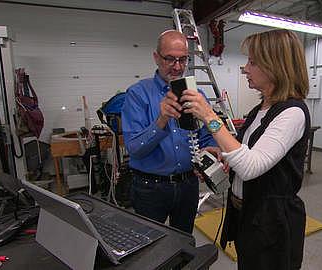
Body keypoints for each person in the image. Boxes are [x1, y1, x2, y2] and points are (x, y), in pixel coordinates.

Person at [179, 29, 310, 269]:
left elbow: (250, 167)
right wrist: (223, 155)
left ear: (275, 66)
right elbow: (245, 154)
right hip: (247, 214)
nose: (245, 68)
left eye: (252, 61)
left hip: (272, 223)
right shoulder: (259, 110)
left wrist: (209, 115)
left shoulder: (292, 112)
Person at [120, 30, 217, 234]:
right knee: (150, 247)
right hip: (150, 188)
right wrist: (162, 120)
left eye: (183, 60)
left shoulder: (197, 95)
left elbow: (208, 135)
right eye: (170, 59)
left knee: (183, 242)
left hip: (188, 185)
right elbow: (135, 149)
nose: (177, 67)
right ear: (156, 57)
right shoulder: (137, 94)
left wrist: (211, 148)